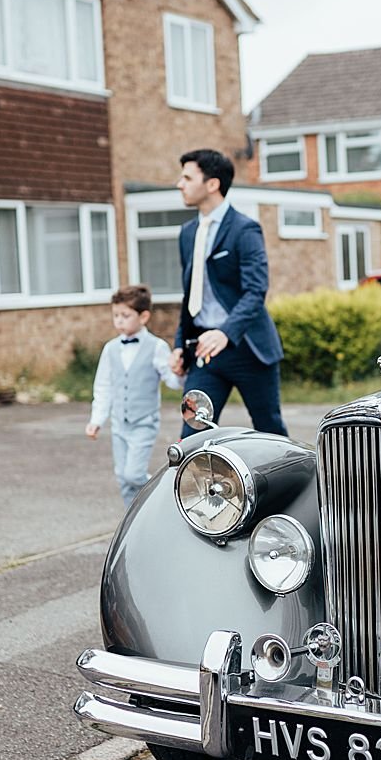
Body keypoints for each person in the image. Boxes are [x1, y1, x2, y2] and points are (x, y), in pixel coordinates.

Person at [168, 148, 287, 438]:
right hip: (204, 351)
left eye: (187, 177)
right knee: (192, 435)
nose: (179, 184)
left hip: (248, 349)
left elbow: (255, 291)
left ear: (212, 184)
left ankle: (296, 484)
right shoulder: (187, 232)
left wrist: (225, 332)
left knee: (269, 430)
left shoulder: (245, 230)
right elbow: (191, 293)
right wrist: (180, 343)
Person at [86, 284, 183, 507]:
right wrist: (97, 420)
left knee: (133, 474)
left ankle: (166, 496)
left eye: (125, 315)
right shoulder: (110, 349)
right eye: (115, 315)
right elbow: (103, 385)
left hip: (143, 422)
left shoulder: (157, 347)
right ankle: (133, 520)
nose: (119, 320)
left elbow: (173, 381)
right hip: (119, 423)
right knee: (122, 478)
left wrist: (179, 371)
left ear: (143, 316)